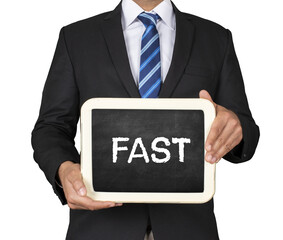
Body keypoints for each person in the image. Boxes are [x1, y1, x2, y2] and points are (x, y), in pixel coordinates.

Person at [31, 0, 260, 239]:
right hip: (100, 227)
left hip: (188, 229)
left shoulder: (214, 38)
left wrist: (236, 127)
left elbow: (245, 128)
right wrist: (64, 169)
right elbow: (51, 127)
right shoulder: (77, 38)